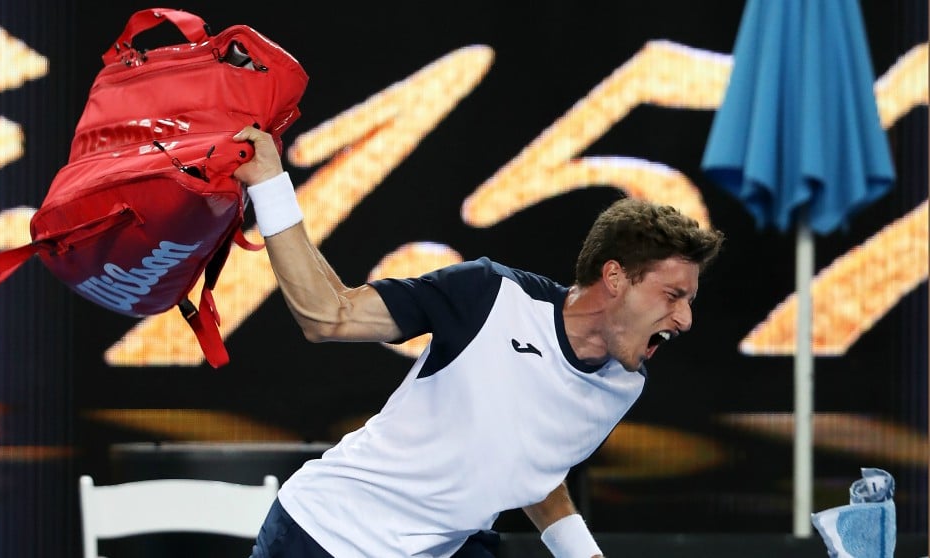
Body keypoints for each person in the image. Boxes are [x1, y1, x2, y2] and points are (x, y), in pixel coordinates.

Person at [232, 125, 725, 558]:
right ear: (615, 278)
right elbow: (328, 315)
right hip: (327, 535)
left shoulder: (625, 383)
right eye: (672, 295)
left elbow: (529, 463)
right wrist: (271, 186)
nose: (683, 319)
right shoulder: (488, 295)